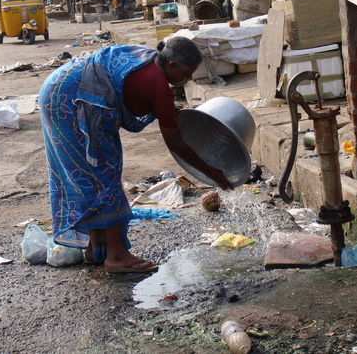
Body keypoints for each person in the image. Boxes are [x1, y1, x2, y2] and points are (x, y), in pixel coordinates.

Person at [39, 38, 233, 273]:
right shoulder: (159, 87)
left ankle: (96, 248)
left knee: (90, 176)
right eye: (187, 72)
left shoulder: (149, 58)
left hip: (60, 86)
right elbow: (177, 145)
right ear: (171, 65)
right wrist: (212, 173)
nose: (189, 78)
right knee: (103, 175)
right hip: (71, 102)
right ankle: (116, 256)